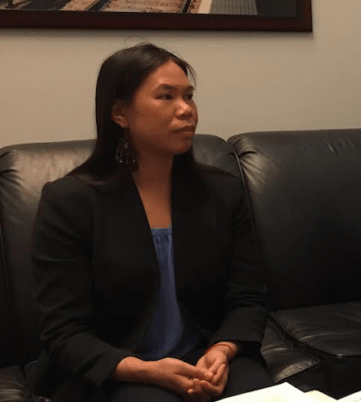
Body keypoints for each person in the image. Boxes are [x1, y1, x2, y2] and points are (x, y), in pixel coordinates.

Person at [30, 44, 271, 402]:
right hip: (118, 370)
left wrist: (222, 351)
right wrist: (145, 370)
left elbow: (248, 298)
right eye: (166, 97)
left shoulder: (222, 192)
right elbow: (64, 331)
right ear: (120, 113)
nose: (186, 110)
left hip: (207, 358)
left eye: (189, 96)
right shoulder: (69, 202)